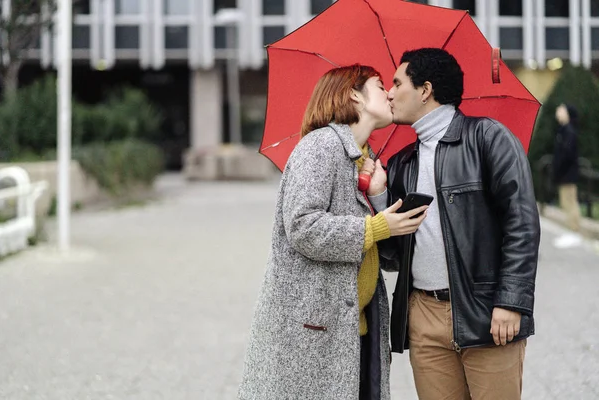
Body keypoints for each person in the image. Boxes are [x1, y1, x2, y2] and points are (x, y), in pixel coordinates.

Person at [238, 64, 428, 400]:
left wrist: (379, 196)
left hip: (354, 331)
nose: (388, 93)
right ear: (354, 94)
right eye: (380, 84)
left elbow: (389, 258)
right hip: (313, 335)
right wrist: (377, 224)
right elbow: (302, 226)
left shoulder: (364, 161)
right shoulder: (321, 146)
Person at [367, 48, 541, 400]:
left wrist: (511, 302)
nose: (388, 91)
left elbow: (522, 225)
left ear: (425, 90)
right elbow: (392, 256)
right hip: (424, 317)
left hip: (487, 312)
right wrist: (381, 196)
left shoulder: (489, 139)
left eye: (397, 83)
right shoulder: (401, 164)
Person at [552, 103, 582, 248]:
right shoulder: (563, 130)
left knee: (570, 202)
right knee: (566, 203)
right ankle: (571, 230)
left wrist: (559, 168)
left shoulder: (569, 131)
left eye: (561, 109)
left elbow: (567, 154)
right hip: (564, 174)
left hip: (568, 174)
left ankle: (574, 232)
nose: (558, 112)